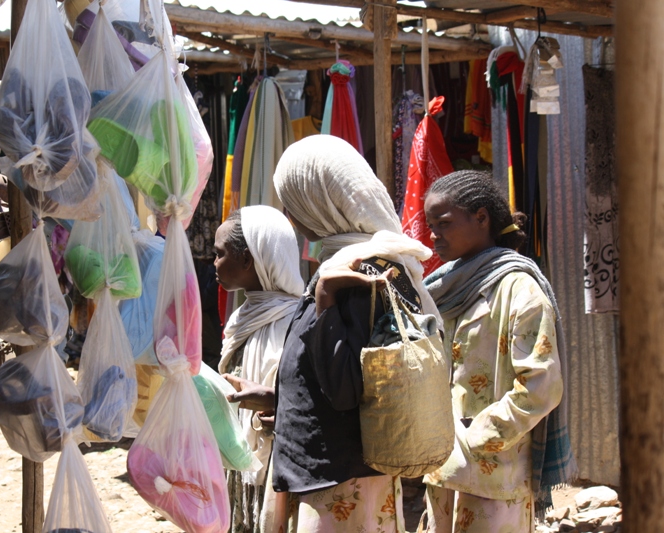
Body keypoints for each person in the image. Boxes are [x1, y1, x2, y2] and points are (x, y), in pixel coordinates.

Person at [230, 135, 439, 533]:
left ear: (321, 201)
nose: (290, 215)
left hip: (342, 488)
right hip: (333, 478)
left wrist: (325, 299)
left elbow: (345, 391)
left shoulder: (360, 272)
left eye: (294, 201)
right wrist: (281, 398)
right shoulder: (359, 263)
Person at [421, 170, 575, 532]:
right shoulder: (443, 287)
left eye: (443, 223)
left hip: (493, 478)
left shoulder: (520, 290)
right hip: (441, 470)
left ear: (481, 218)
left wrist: (476, 440)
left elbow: (541, 385)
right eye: (430, 225)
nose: (434, 235)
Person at [214, 205, 304, 532]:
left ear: (249, 260)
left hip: (278, 467)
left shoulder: (296, 321)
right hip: (240, 460)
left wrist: (277, 403)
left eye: (219, 254)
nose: (214, 263)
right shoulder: (243, 316)